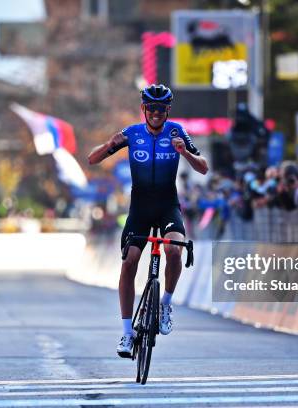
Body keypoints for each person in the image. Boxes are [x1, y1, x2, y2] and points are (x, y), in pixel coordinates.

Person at [87, 84, 209, 358]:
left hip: (168, 204)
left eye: (161, 109)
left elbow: (204, 167)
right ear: (144, 109)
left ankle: (166, 303)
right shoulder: (132, 134)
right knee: (129, 261)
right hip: (140, 207)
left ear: (168, 110)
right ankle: (127, 333)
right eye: (151, 108)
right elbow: (92, 159)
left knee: (174, 250)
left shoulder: (177, 132)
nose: (155, 113)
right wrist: (110, 145)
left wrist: (186, 153)